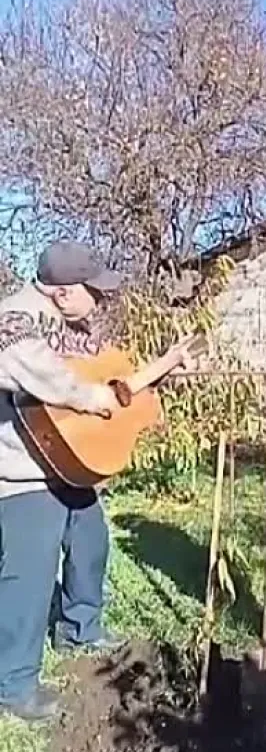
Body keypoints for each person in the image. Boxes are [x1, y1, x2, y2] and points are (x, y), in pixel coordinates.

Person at [0, 241, 130, 722]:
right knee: (28, 577)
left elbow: (105, 363)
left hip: (63, 468)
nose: (100, 300)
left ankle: (79, 628)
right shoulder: (13, 317)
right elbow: (38, 371)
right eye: (92, 291)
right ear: (62, 292)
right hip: (22, 471)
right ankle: (14, 685)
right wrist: (88, 397)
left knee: (91, 540)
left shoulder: (68, 326)